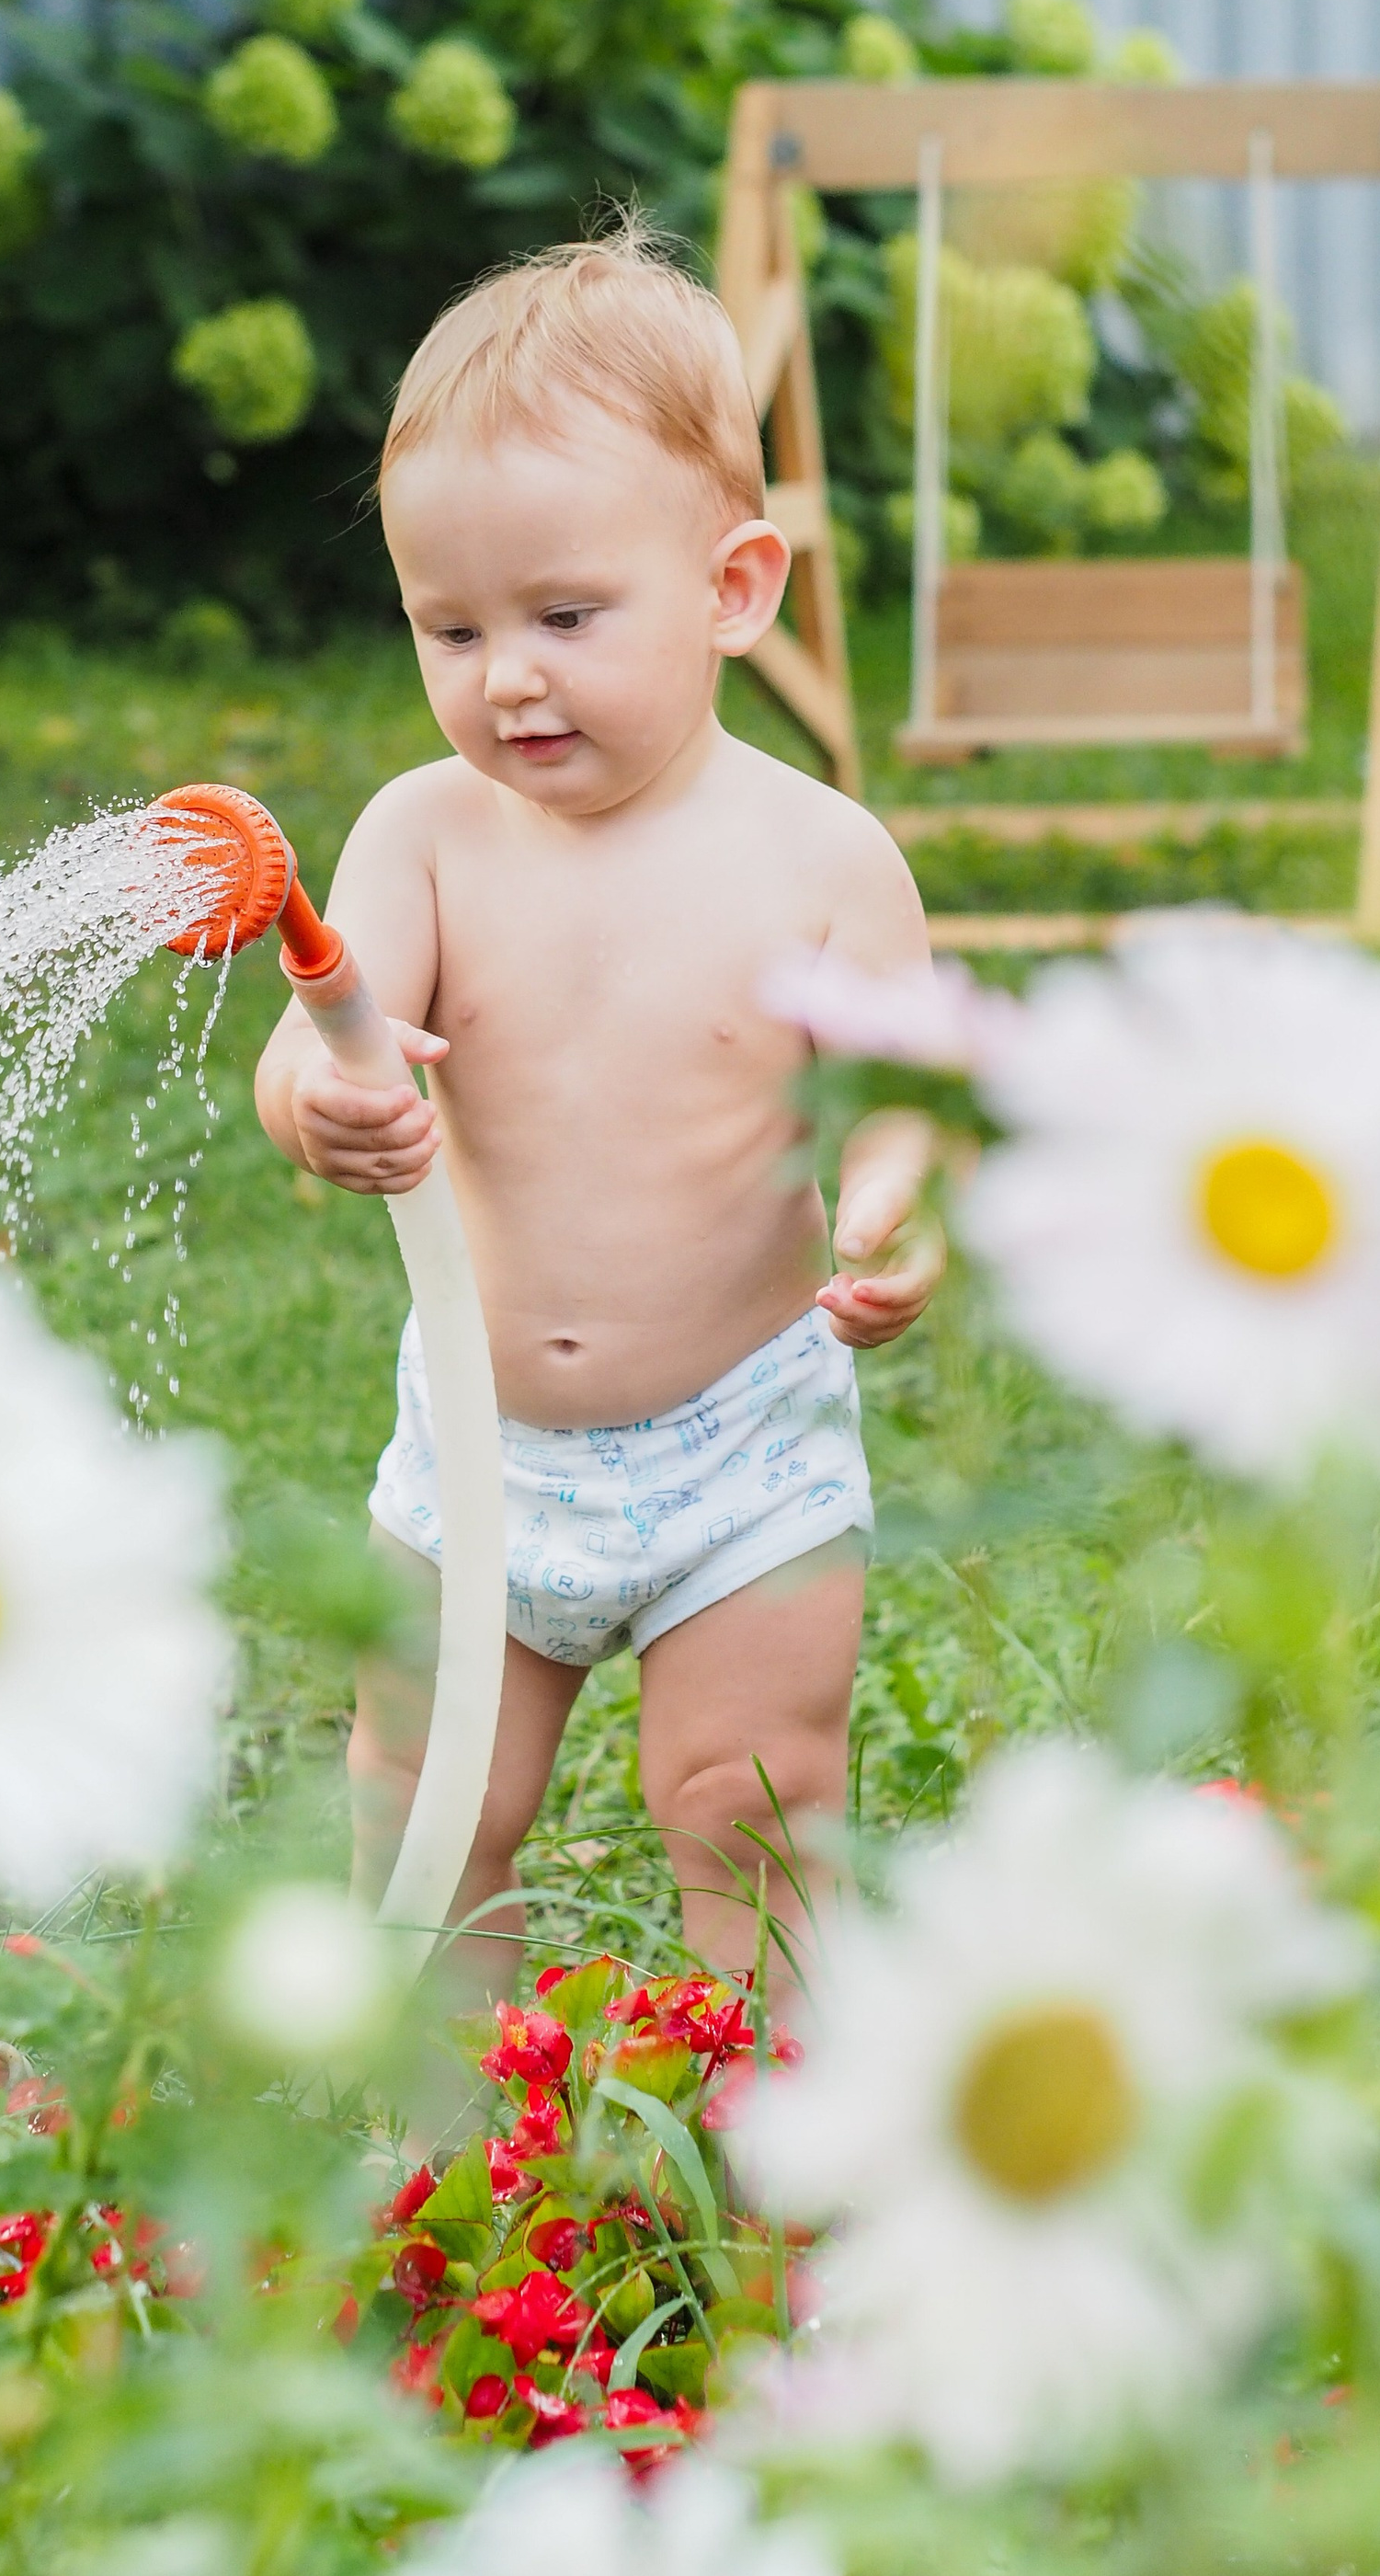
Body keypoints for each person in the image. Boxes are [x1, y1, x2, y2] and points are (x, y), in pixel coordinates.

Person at [253, 224, 941, 2011]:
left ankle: (787, 2141)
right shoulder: (420, 835)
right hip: (481, 1450)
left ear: (728, 590)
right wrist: (327, 1100)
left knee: (748, 1799)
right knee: (424, 1800)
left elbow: (897, 1098)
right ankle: (447, 2136)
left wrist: (886, 1211)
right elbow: (325, 1032)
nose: (506, 679)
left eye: (564, 619)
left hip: (741, 1451)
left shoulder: (814, 856)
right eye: (449, 628)